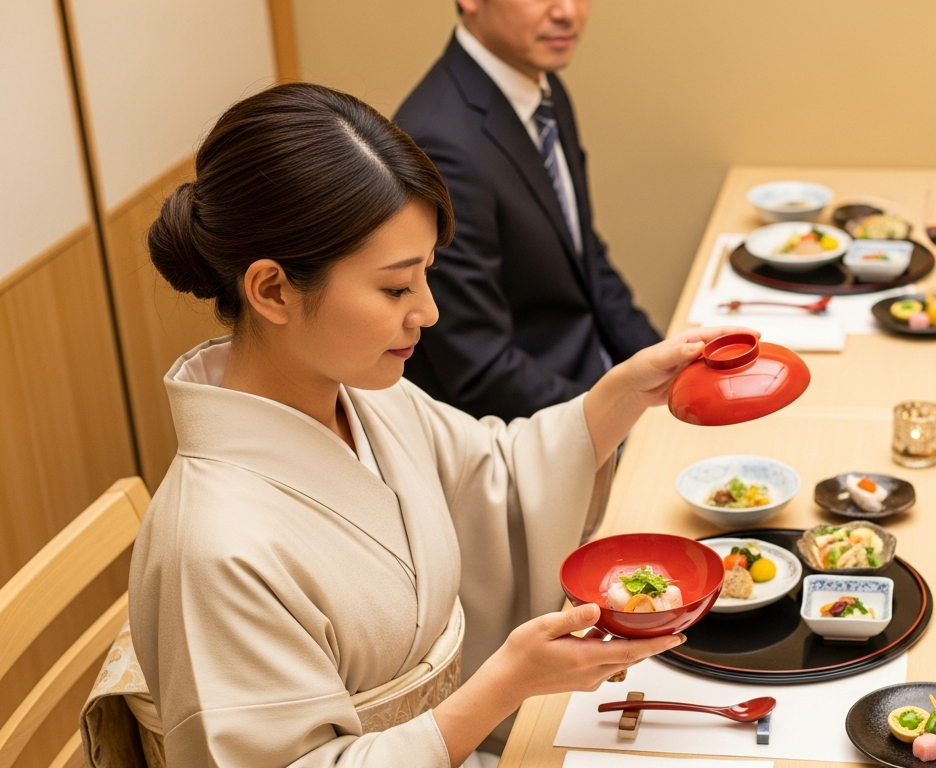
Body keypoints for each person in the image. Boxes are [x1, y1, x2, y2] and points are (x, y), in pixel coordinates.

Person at [116, 82, 745, 767]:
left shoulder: (365, 396)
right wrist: (504, 685)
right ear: (273, 290)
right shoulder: (213, 546)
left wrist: (621, 394)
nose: (429, 311)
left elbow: (495, 475)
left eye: (426, 275)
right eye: (395, 288)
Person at [395, 0, 661, 421]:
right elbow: (480, 367)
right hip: (534, 426)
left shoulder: (540, 88)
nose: (568, 13)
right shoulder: (441, 143)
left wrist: (669, 367)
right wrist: (618, 418)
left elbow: (584, 254)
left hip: (590, 382)